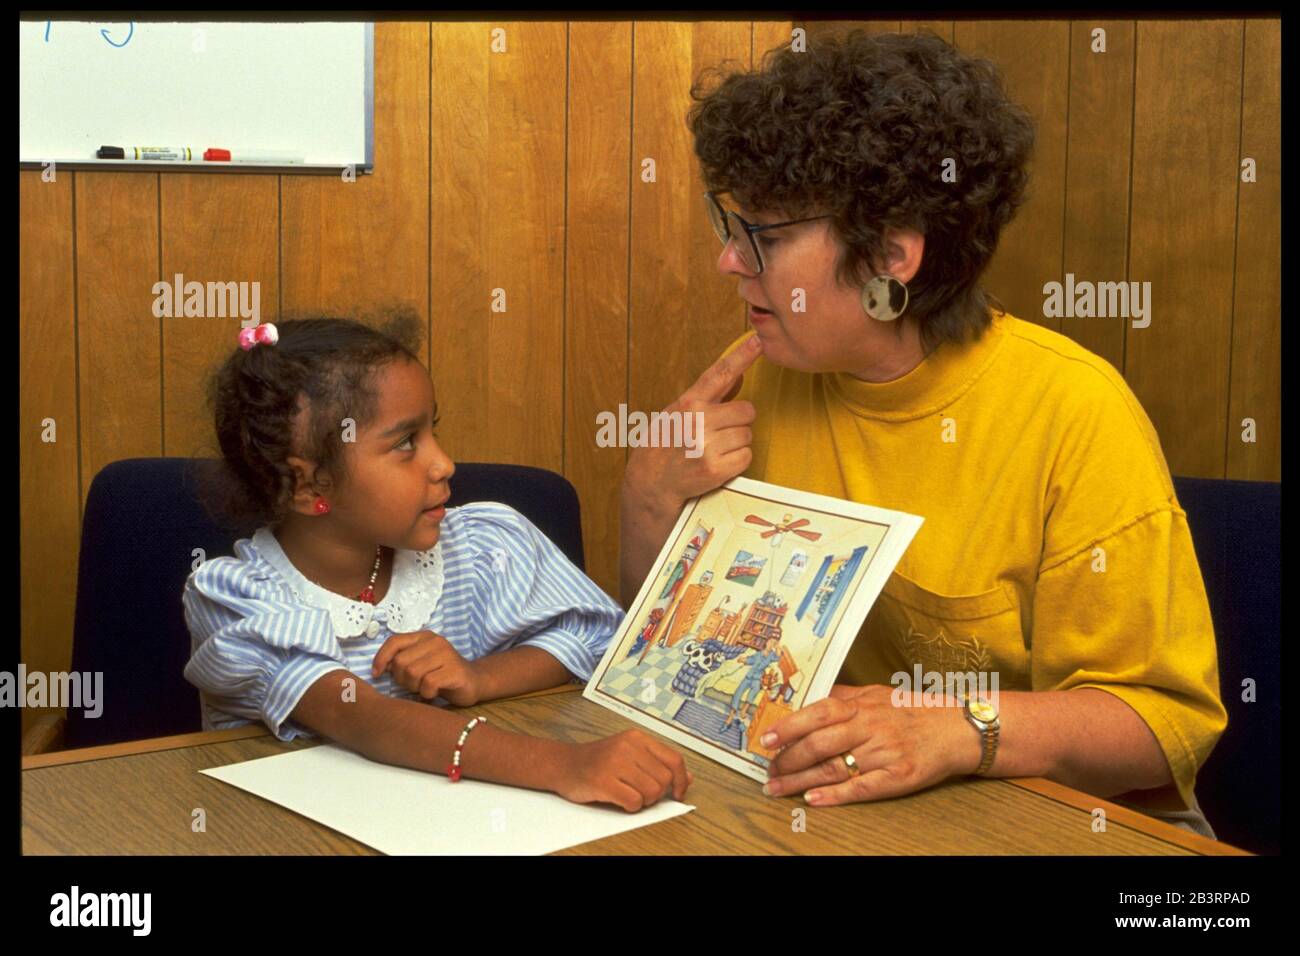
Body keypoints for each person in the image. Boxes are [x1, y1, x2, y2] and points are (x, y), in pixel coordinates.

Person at [620, 30, 1225, 836]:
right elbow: (655, 668)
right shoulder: (757, 379)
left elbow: (1163, 727)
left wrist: (953, 726)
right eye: (729, 223)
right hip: (846, 817)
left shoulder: (1075, 411)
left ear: (890, 258)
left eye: (765, 236)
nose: (729, 262)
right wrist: (647, 496)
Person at [184, 314, 690, 812]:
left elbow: (598, 638)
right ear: (309, 485)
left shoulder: (477, 547)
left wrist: (481, 676)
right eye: (406, 442)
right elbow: (366, 719)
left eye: (433, 431)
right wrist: (564, 766)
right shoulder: (238, 603)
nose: (443, 463)